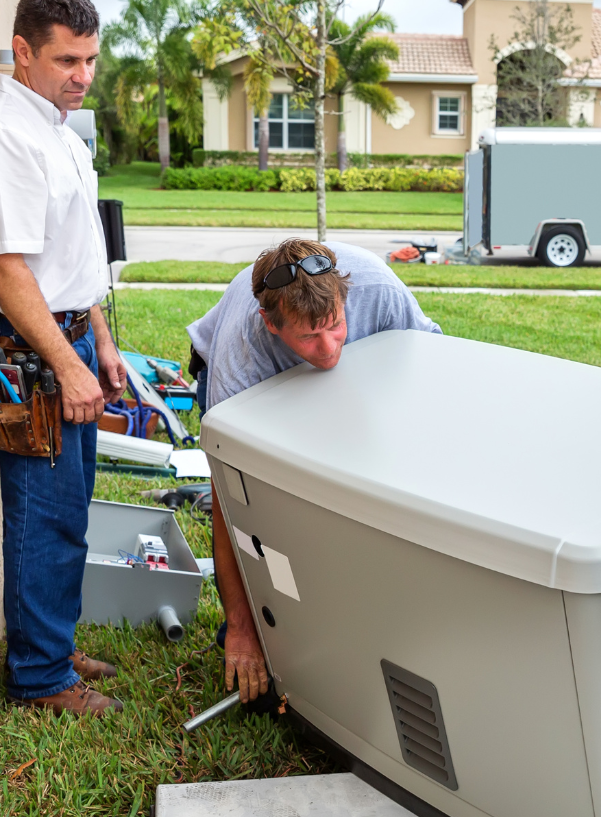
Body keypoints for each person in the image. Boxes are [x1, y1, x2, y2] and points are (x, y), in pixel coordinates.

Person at [0, 0, 127, 716]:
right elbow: (8, 271)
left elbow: (72, 263)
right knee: (41, 512)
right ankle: (40, 676)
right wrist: (68, 361)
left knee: (70, 507)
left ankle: (50, 641)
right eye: (66, 61)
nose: (83, 76)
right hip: (26, 346)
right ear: (23, 52)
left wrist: (103, 344)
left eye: (90, 59)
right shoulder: (0, 136)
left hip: (70, 335)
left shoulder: (61, 135)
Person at [186, 239, 442, 703]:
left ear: (347, 301)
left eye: (336, 327)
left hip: (358, 376)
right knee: (271, 507)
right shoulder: (241, 356)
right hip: (257, 387)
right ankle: (256, 632)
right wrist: (242, 631)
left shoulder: (379, 289)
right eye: (308, 337)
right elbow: (228, 500)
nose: (327, 349)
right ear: (270, 323)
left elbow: (429, 378)